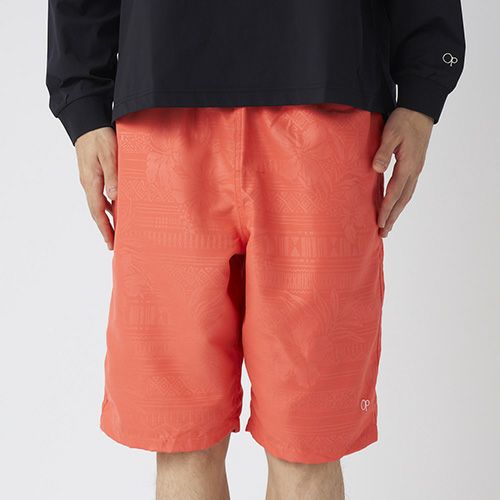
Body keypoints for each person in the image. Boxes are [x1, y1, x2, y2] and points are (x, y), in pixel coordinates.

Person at [46, 1, 465, 498]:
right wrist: (81, 100)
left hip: (326, 101)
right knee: (181, 440)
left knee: (307, 446)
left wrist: (422, 90)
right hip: (163, 113)